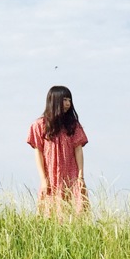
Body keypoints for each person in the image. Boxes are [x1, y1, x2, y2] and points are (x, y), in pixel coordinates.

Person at [27, 85, 89, 215]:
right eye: (64, 100)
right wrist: (43, 179)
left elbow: (78, 150)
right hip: (51, 174)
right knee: (49, 212)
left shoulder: (73, 125)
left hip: (71, 174)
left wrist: (80, 177)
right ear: (54, 101)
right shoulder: (39, 125)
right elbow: (38, 153)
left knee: (76, 211)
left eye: (69, 100)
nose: (68, 104)